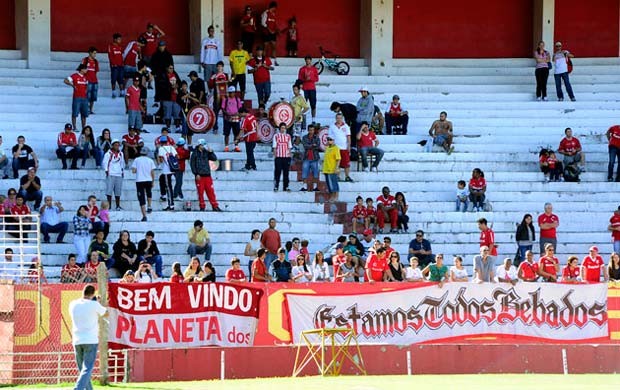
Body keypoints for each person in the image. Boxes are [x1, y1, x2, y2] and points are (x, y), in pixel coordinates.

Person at [68, 285, 107, 390]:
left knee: (83, 370)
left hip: (77, 339)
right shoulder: (94, 305)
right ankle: (78, 388)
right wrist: (98, 303)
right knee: (87, 369)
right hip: (90, 340)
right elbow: (106, 313)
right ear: (93, 294)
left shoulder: (73, 304)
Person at [190, 139, 221, 211]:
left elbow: (214, 159)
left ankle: (215, 206)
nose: (204, 146)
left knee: (211, 191)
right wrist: (196, 173)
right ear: (199, 145)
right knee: (200, 192)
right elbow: (192, 164)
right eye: (202, 145)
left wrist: (211, 152)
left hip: (207, 175)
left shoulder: (206, 152)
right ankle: (202, 206)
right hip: (199, 176)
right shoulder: (194, 153)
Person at [131, 147, 156, 222]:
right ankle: (149, 206)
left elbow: (134, 171)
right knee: (149, 193)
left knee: (141, 197)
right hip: (148, 179)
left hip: (140, 180)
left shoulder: (136, 160)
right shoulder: (150, 160)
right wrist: (153, 181)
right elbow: (152, 172)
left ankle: (144, 216)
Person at [63, 64, 89, 130]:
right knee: (75, 113)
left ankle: (84, 128)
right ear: (82, 69)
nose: (86, 70)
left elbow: (87, 85)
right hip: (77, 97)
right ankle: (74, 127)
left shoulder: (85, 77)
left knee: (84, 114)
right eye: (85, 69)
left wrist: (86, 91)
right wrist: (72, 85)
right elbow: (65, 80)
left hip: (84, 98)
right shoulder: (74, 75)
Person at [102, 140, 125, 211]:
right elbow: (105, 162)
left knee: (118, 190)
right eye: (116, 145)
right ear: (112, 145)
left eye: (118, 145)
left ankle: (118, 205)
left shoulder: (121, 153)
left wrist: (122, 171)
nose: (117, 146)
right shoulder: (108, 153)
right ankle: (109, 206)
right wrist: (106, 171)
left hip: (118, 174)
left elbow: (122, 163)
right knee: (109, 190)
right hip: (111, 173)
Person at [157, 136, 178, 211]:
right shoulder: (172, 147)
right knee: (161, 179)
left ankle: (171, 205)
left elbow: (161, 159)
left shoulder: (161, 149)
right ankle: (163, 195)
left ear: (161, 142)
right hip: (173, 168)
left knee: (169, 187)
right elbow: (176, 156)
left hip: (166, 170)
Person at [208, 61, 229, 134]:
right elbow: (210, 86)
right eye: (218, 66)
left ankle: (226, 130)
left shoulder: (226, 75)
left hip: (225, 98)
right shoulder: (214, 75)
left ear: (223, 67)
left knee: (226, 114)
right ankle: (215, 128)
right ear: (217, 67)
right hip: (217, 97)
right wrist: (211, 79)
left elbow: (228, 85)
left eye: (221, 66)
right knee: (215, 113)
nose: (220, 68)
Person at [160, 65, 182, 131]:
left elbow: (180, 83)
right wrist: (171, 87)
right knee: (167, 113)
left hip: (176, 97)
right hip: (167, 97)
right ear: (167, 68)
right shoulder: (163, 75)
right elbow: (162, 85)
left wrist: (177, 86)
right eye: (170, 68)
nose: (172, 69)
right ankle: (168, 127)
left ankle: (177, 127)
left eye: (172, 68)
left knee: (177, 112)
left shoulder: (175, 74)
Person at [222, 86, 243, 152]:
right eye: (230, 92)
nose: (231, 94)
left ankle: (236, 146)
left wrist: (237, 113)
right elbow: (223, 108)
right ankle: (226, 147)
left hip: (235, 118)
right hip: (227, 118)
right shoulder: (225, 100)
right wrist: (227, 113)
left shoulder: (237, 99)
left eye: (233, 92)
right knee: (226, 133)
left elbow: (240, 108)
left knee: (236, 133)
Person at [237, 107, 258, 171]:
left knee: (249, 152)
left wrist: (237, 138)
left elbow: (242, 130)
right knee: (250, 151)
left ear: (243, 112)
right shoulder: (252, 116)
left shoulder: (245, 119)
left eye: (240, 114)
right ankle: (248, 165)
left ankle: (253, 165)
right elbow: (256, 125)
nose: (240, 115)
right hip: (254, 136)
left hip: (249, 137)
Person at [298, 55, 319, 123]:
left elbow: (317, 79)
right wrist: (305, 79)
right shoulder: (302, 69)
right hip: (304, 89)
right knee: (303, 105)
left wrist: (311, 78)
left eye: (309, 60)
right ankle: (301, 119)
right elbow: (299, 79)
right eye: (306, 60)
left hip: (312, 88)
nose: (307, 61)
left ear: (310, 60)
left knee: (313, 105)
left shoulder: (314, 69)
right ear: (305, 61)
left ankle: (313, 120)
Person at [272, 122, 292, 192]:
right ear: (279, 128)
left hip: (286, 157)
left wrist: (289, 155)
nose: (283, 129)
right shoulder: (276, 136)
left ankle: (286, 186)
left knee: (286, 172)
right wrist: (275, 156)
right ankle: (276, 186)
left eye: (284, 128)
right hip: (278, 156)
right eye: (282, 128)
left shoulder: (288, 136)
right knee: (277, 172)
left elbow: (289, 147)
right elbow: (274, 146)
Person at [81, 47, 99, 114]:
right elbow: (81, 70)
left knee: (93, 97)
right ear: (90, 53)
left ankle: (90, 110)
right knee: (87, 96)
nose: (95, 55)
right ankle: (86, 109)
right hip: (87, 81)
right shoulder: (85, 60)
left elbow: (96, 71)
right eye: (94, 53)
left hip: (95, 81)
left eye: (96, 53)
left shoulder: (96, 62)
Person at [322, 136, 341, 202]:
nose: (329, 141)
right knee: (329, 184)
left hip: (332, 169)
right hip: (326, 168)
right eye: (328, 140)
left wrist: (336, 168)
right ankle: (332, 197)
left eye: (330, 140)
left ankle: (336, 196)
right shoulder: (327, 148)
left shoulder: (336, 148)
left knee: (334, 183)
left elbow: (338, 159)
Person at [108, 33, 124, 98]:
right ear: (114, 39)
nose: (120, 40)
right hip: (114, 66)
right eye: (119, 39)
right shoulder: (110, 46)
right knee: (114, 79)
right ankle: (113, 93)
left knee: (121, 79)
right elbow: (110, 56)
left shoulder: (120, 47)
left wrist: (122, 64)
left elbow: (121, 56)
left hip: (121, 66)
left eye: (120, 39)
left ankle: (122, 92)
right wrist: (113, 64)